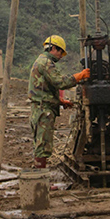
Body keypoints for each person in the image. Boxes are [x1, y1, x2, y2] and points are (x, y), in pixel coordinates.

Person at [28, 35, 91, 168]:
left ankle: (40, 178)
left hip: (40, 108)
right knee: (43, 146)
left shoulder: (41, 61)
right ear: (53, 48)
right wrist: (80, 75)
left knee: (40, 143)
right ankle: (41, 182)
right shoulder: (46, 63)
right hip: (43, 110)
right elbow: (59, 82)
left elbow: (43, 88)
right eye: (60, 52)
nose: (61, 56)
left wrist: (60, 101)